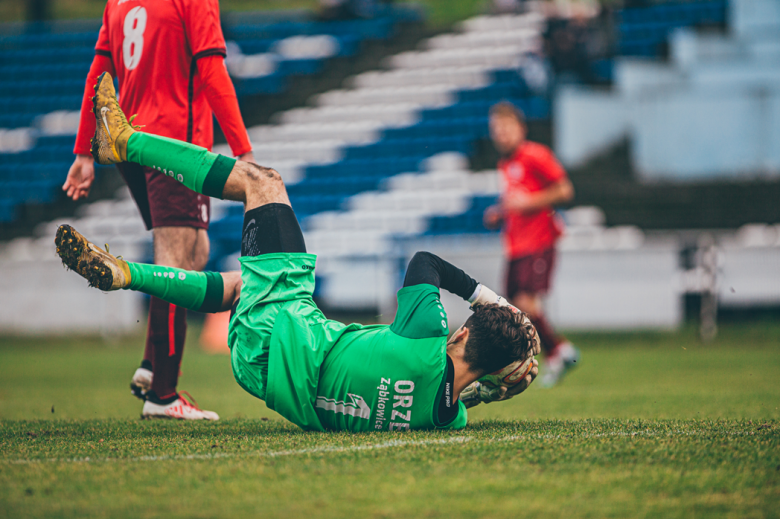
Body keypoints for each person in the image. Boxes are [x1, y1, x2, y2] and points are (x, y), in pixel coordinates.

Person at [54, 73, 541, 429]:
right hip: (266, 375)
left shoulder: (428, 336)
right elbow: (465, 398)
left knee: (261, 181)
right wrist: (501, 386)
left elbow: (424, 264)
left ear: (458, 336)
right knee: (239, 287)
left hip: (291, 331)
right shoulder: (443, 419)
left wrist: (488, 300)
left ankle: (123, 142)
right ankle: (122, 272)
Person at [62, 0, 255, 419]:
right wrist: (243, 151)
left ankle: (152, 364)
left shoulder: (118, 2)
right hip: (176, 145)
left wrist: (84, 152)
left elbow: (99, 77)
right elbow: (212, 71)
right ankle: (163, 397)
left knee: (196, 250)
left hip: (127, 141)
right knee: (176, 262)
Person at [483, 102, 579, 387]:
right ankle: (552, 354)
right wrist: (500, 213)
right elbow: (517, 198)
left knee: (525, 303)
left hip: (538, 242)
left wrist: (529, 203)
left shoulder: (535, 154)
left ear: (520, 129)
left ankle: (559, 351)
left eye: (506, 128)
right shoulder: (506, 163)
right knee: (514, 308)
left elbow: (565, 190)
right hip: (516, 246)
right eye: (496, 130)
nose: (501, 135)